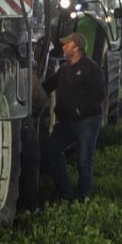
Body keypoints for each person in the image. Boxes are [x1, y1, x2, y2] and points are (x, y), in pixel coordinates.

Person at [43, 32, 105, 201]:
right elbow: (48, 86)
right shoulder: (65, 69)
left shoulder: (91, 68)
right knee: (53, 150)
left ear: (76, 47)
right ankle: (64, 192)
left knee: (83, 161)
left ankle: (83, 198)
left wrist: (81, 110)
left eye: (66, 44)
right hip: (66, 122)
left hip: (86, 121)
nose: (62, 46)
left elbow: (99, 94)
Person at [18, 75, 47, 212]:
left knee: (30, 162)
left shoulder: (26, 74)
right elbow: (40, 100)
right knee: (30, 163)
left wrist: (28, 117)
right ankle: (28, 204)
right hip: (25, 122)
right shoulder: (26, 73)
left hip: (25, 124)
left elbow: (40, 99)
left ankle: (29, 204)